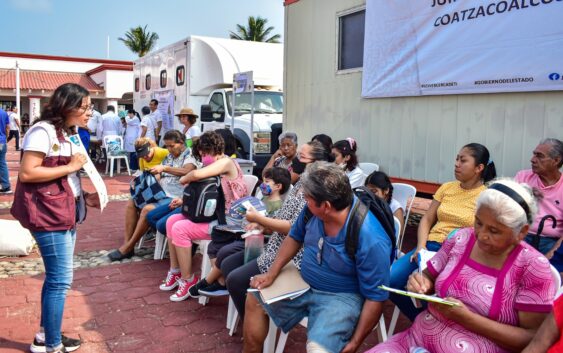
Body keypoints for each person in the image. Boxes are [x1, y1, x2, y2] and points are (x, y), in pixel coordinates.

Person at [368, 179, 556, 353]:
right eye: (479, 222)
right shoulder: (462, 238)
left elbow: (533, 338)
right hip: (417, 340)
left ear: (521, 232)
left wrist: (468, 319)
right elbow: (428, 276)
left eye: (494, 231)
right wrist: (420, 282)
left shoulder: (532, 267)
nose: (481, 235)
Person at [243, 162, 392, 353]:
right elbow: (294, 237)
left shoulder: (371, 238)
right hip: (303, 284)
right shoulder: (312, 210)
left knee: (318, 349)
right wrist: (271, 274)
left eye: (307, 198)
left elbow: (376, 297)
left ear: (326, 206)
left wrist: (355, 342)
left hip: (341, 297)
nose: (304, 201)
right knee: (254, 298)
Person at [13, 83, 101, 353]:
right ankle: (52, 344)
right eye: (85, 107)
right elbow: (28, 173)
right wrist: (71, 165)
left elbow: (65, 178)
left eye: (90, 107)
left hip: (65, 210)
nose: (89, 113)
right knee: (61, 281)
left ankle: (45, 336)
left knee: (54, 279)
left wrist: (84, 195)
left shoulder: (67, 133)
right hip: (49, 216)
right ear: (68, 106)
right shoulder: (43, 131)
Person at [222, 140, 335, 318]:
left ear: (316, 162)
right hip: (274, 245)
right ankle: (247, 314)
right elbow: (284, 214)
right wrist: (262, 224)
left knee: (235, 280)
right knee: (227, 264)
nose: (297, 159)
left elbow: (294, 228)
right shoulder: (300, 182)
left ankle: (252, 319)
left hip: (292, 255)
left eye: (302, 157)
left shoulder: (316, 189)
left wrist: (260, 219)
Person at [390, 142, 497, 321]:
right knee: (392, 280)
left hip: (458, 253)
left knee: (435, 289)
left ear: (479, 168)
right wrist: (421, 247)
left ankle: (433, 323)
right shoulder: (447, 187)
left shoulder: (486, 196)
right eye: (456, 159)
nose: (456, 164)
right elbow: (427, 219)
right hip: (430, 246)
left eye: (463, 160)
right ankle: (421, 320)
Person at [160, 131, 247, 301]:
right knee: (172, 221)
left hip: (229, 222)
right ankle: (175, 271)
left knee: (180, 229)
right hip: (216, 215)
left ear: (215, 149)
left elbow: (195, 175)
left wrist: (184, 178)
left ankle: (188, 280)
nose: (202, 156)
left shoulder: (226, 163)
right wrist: (182, 199)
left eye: (205, 153)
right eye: (200, 153)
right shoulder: (216, 165)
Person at [189, 166, 292, 297]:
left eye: (267, 182)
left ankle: (208, 281)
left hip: (258, 241)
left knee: (225, 250)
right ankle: (220, 281)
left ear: (278, 186)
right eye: (263, 181)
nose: (262, 185)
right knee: (213, 245)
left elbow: (271, 228)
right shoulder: (262, 199)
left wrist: (258, 223)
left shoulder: (279, 206)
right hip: (244, 233)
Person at [108, 130, 197, 261]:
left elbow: (188, 171)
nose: (169, 149)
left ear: (181, 143)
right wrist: (150, 178)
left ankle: (128, 247)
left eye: (172, 146)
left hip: (175, 197)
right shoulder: (170, 156)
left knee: (147, 209)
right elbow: (161, 173)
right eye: (167, 146)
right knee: (132, 201)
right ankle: (128, 244)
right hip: (160, 192)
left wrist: (164, 168)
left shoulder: (189, 155)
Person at [515, 138, 563, 260]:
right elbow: (506, 208)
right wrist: (525, 193)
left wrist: (552, 254)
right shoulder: (523, 177)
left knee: (551, 272)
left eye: (539, 156)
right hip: (520, 235)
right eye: (534, 154)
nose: (532, 159)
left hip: (550, 242)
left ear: (556, 160)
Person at [0, 107, 11, 194]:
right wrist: (6, 138)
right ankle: (6, 186)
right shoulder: (4, 113)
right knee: (2, 163)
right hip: (2, 141)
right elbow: (8, 127)